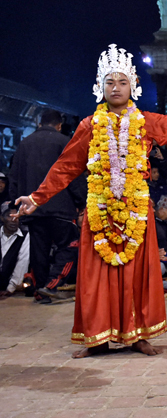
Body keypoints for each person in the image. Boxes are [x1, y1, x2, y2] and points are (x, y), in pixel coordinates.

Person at [14, 44, 167, 358]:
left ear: (132, 87)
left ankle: (138, 336)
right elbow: (66, 166)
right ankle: (97, 338)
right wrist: (37, 198)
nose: (116, 88)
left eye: (122, 82)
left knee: (138, 275)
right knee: (96, 275)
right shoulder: (89, 126)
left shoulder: (146, 122)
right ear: (100, 87)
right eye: (110, 82)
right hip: (100, 210)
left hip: (136, 212)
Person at [9, 109, 85, 301]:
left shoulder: (24, 143)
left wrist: (16, 205)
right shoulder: (64, 141)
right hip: (61, 207)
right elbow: (73, 174)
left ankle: (41, 290)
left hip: (32, 208)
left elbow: (14, 177)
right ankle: (52, 285)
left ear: (39, 123)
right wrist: (81, 200)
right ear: (59, 125)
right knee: (70, 245)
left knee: (39, 251)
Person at [0, 202, 30, 300]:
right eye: (10, 216)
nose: (14, 220)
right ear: (2, 218)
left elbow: (22, 262)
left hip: (7, 283)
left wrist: (10, 288)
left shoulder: (25, 236)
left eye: (17, 216)